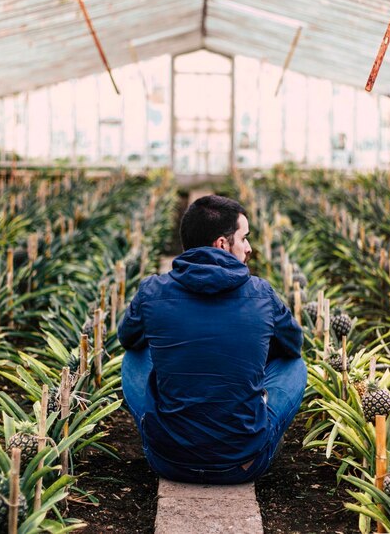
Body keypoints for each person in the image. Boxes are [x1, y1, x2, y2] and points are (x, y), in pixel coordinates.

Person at [118, 194, 306, 484]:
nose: (249, 248)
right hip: (244, 463)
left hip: (168, 461)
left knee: (134, 355)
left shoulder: (152, 290)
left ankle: (166, 426)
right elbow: (293, 345)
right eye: (244, 238)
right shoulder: (261, 293)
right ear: (222, 243)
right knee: (295, 364)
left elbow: (128, 338)